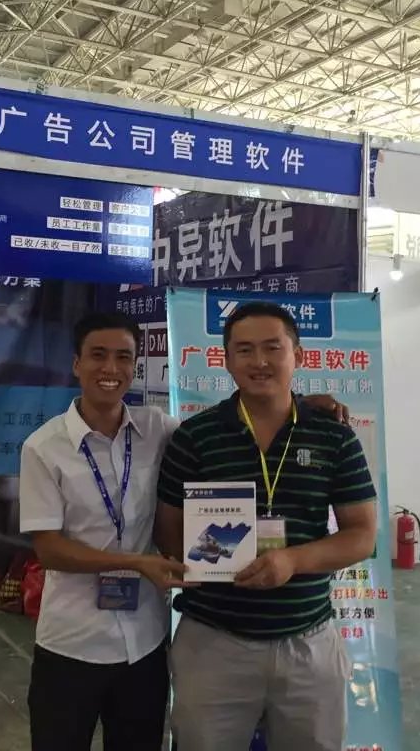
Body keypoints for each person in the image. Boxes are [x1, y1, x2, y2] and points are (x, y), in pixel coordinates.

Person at [19, 311, 352, 751]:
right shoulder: (43, 447)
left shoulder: (158, 429)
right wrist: (136, 563)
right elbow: (48, 549)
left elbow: (252, 412)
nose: (110, 368)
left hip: (144, 641)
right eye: (98, 356)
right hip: (72, 640)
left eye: (124, 357)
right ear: (76, 364)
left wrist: (302, 405)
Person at [154, 301, 378, 751]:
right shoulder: (194, 437)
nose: (259, 361)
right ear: (226, 360)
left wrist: (292, 560)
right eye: (244, 350)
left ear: (298, 355)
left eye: (273, 348)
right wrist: (214, 554)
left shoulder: (334, 436)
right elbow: (168, 533)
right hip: (213, 643)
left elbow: (361, 535)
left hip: (308, 644)